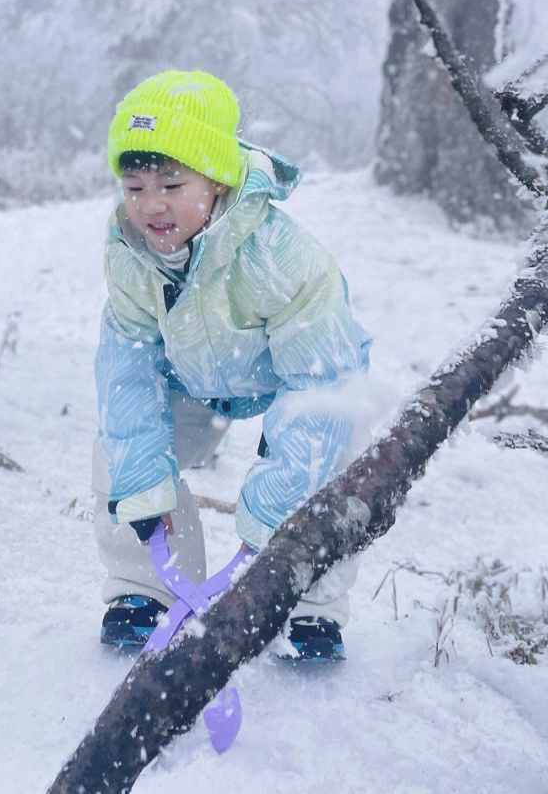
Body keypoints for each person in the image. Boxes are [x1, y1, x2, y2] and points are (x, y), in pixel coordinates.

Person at [93, 69, 371, 660]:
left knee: (333, 440)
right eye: (135, 186)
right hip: (191, 382)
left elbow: (319, 379)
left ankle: (308, 606)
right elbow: (128, 371)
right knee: (121, 452)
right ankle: (145, 590)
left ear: (217, 181)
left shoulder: (284, 258)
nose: (152, 206)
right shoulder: (131, 258)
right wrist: (144, 480)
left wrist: (274, 508)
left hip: (289, 378)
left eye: (172, 184)